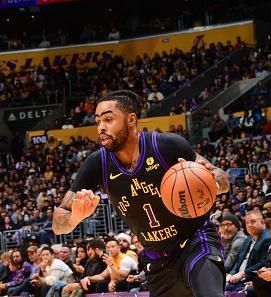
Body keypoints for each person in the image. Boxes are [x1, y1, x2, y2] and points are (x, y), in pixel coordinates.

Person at [52, 90, 230, 297]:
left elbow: (222, 180)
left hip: (195, 242)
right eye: (98, 121)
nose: (101, 127)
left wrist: (210, 178)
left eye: (109, 119)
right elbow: (58, 223)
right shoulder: (96, 164)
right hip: (156, 259)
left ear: (131, 119)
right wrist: (74, 216)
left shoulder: (166, 145)